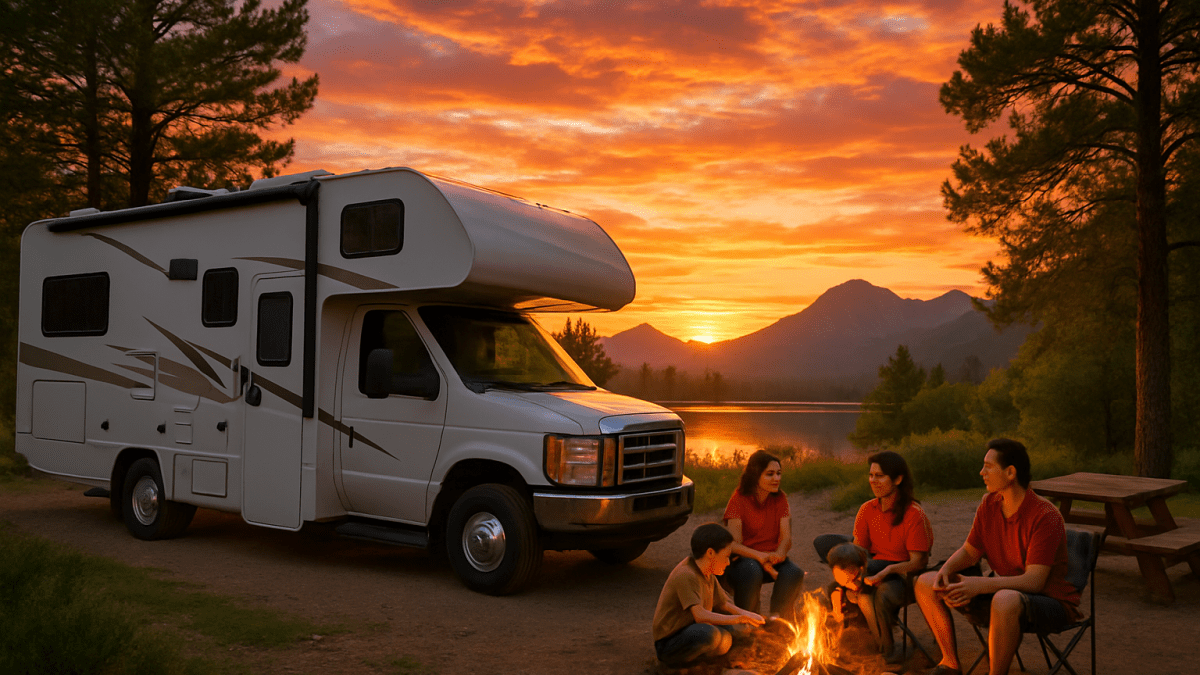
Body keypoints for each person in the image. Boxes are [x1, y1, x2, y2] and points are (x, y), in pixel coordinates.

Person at [914, 439, 1079, 675]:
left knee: (1004, 598)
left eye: (988, 466)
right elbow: (970, 551)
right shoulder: (989, 504)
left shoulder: (1045, 516)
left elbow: (1034, 581)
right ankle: (949, 663)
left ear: (1010, 472)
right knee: (925, 582)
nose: (982, 472)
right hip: (1002, 593)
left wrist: (979, 585)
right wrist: (946, 570)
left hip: (1048, 602)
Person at [853, 451, 934, 667]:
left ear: (897, 479)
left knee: (883, 591)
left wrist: (888, 571)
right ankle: (864, 640)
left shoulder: (913, 513)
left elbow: (919, 562)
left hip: (906, 577)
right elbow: (858, 552)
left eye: (879, 476)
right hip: (874, 570)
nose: (873, 481)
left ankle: (889, 650)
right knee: (847, 582)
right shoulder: (867, 510)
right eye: (871, 475)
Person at [652, 522, 766, 668]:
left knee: (731, 634)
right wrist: (739, 618)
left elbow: (723, 604)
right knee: (711, 636)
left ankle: (703, 662)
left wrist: (748, 615)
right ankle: (674, 667)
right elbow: (700, 615)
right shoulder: (686, 574)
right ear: (710, 553)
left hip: (692, 629)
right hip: (669, 643)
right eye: (725, 557)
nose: (727, 562)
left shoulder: (707, 572)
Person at [721, 450, 805, 623]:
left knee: (793, 572)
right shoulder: (738, 500)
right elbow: (733, 545)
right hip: (744, 560)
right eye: (770, 474)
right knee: (751, 570)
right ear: (755, 475)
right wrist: (760, 557)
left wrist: (779, 554)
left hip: (772, 558)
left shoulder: (780, 498)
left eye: (779, 473)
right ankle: (749, 623)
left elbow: (786, 538)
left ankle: (778, 621)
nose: (777, 478)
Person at [815, 542, 879, 669]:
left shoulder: (869, 582)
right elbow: (835, 590)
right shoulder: (838, 585)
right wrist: (836, 606)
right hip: (847, 623)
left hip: (867, 625)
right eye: (836, 570)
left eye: (844, 569)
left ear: (859, 569)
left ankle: (877, 644)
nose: (839, 574)